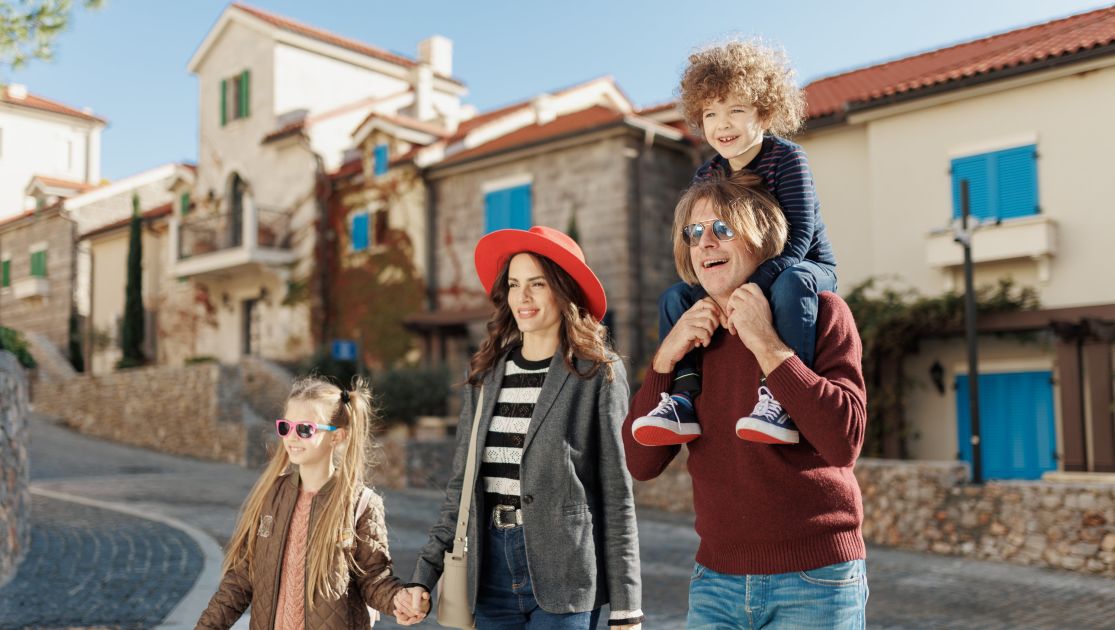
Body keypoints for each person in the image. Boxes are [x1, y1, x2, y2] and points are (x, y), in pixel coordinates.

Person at [624, 172, 869, 629]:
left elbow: (844, 441)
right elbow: (641, 463)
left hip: (815, 580)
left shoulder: (820, 312)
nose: (705, 244)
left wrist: (769, 345)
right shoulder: (689, 331)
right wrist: (663, 361)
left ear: (761, 238)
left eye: (723, 229)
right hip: (715, 583)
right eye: (694, 233)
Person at [397, 225, 644, 629]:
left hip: (565, 577)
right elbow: (461, 490)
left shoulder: (599, 374)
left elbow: (617, 496)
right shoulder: (486, 375)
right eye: (513, 284)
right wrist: (423, 576)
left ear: (564, 291)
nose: (522, 297)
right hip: (489, 573)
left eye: (537, 284)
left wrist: (626, 608)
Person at [632, 38, 838, 447]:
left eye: (736, 111)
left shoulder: (788, 159)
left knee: (792, 280)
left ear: (764, 113)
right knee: (675, 298)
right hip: (743, 277)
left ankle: (778, 398)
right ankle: (682, 400)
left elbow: (798, 241)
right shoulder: (706, 174)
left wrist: (747, 291)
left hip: (806, 269)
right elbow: (697, 238)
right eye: (711, 113)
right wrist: (712, 296)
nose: (722, 124)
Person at [197, 376, 417, 629]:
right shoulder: (271, 495)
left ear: (336, 437)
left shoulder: (362, 504)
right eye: (285, 427)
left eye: (304, 429)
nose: (291, 437)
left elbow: (375, 579)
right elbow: (240, 581)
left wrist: (400, 599)